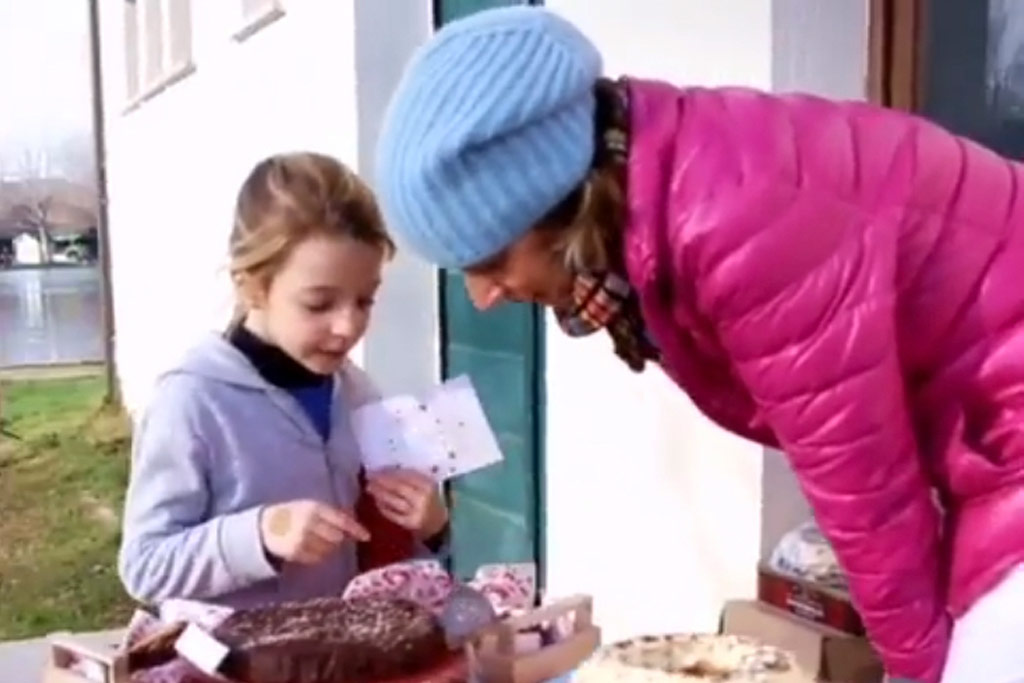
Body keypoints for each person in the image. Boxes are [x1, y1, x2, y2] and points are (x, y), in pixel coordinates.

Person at [372, 7, 1024, 683]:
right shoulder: (668, 177)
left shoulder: (739, 224)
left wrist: (918, 669)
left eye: (490, 260)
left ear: (553, 204)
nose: (484, 295)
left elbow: (867, 491)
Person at [118, 152, 449, 609]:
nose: (348, 327)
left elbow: (384, 561)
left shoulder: (358, 393)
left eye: (365, 301)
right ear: (252, 285)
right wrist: (260, 534)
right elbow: (144, 566)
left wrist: (430, 528)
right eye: (318, 304)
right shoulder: (190, 401)